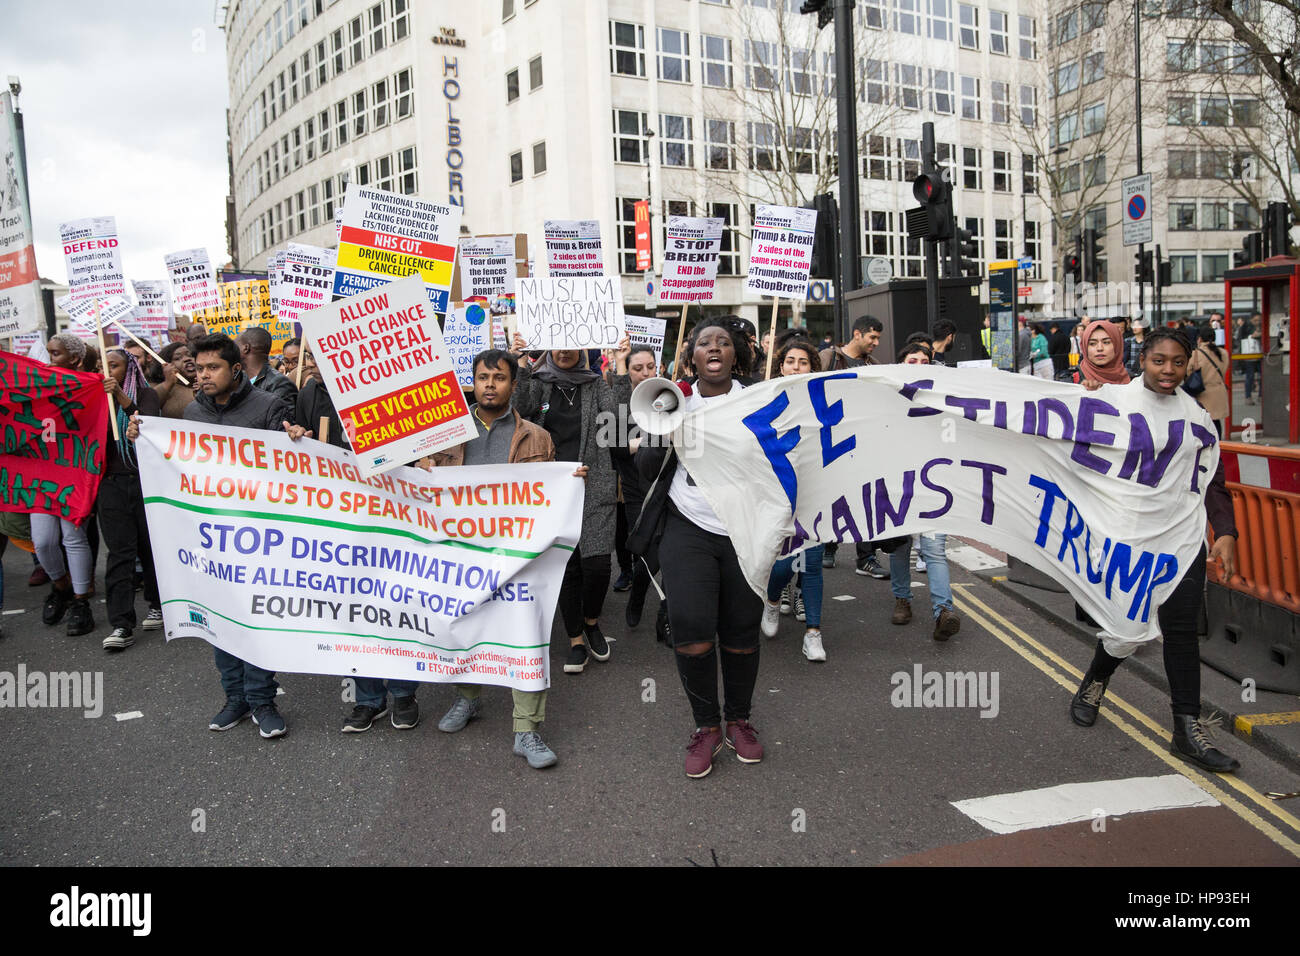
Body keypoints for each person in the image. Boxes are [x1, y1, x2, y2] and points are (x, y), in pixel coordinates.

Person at [1071, 328, 1241, 773]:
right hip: (1129, 538)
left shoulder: (1198, 418)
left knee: (1181, 633)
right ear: (1142, 359)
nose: (1169, 371)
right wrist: (1083, 398)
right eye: (1159, 361)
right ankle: (1096, 678)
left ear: (1189, 365)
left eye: (1178, 362)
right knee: (1126, 630)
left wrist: (1225, 531)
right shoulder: (1111, 402)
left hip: (1182, 541)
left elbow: (1213, 480)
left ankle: (1187, 729)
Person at [130, 333, 296, 739]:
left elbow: (290, 471)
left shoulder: (268, 407)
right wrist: (141, 438)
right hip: (209, 538)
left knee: (255, 619)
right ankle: (234, 698)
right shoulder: (192, 415)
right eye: (198, 368)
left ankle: (262, 700)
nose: (202, 375)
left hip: (257, 535)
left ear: (236, 369)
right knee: (220, 617)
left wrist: (296, 439)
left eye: (212, 368)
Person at [426, 349, 579, 768]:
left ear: (514, 384)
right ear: (472, 382)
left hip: (517, 556)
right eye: (482, 377)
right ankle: (467, 698)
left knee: (525, 636)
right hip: (461, 551)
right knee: (462, 628)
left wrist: (570, 483)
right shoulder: (444, 434)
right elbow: (416, 482)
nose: (489, 384)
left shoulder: (537, 438)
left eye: (498, 377)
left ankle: (526, 730)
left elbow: (548, 496)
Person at [629, 318, 764, 778]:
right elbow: (647, 467)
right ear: (691, 355)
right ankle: (706, 727)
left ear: (735, 354)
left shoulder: (756, 400)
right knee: (691, 629)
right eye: (704, 342)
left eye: (724, 343)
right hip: (688, 529)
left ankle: (739, 720)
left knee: (742, 632)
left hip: (742, 529)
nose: (714, 348)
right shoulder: (672, 398)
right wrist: (666, 426)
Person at [509, 332, 632, 674]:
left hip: (593, 488)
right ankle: (576, 638)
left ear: (583, 350)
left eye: (572, 344)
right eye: (558, 343)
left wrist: (621, 365)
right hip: (550, 494)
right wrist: (520, 362)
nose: (564, 350)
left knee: (597, 567)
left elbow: (620, 423)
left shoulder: (595, 385)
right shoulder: (539, 382)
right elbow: (518, 408)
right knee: (567, 567)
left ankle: (592, 622)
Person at [886, 343, 961, 640]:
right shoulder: (886, 397)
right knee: (900, 545)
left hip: (933, 485)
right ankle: (902, 599)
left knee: (934, 549)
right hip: (896, 484)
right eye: (911, 360)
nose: (918, 364)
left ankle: (944, 611)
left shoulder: (943, 399)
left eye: (924, 360)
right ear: (901, 363)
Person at [759, 339, 827, 662]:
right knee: (784, 563)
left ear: (812, 366)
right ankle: (772, 600)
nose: (796, 366)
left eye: (803, 361)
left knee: (812, 563)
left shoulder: (822, 398)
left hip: (814, 491)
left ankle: (813, 634)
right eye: (790, 361)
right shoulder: (767, 397)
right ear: (780, 365)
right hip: (778, 493)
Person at [97, 350, 163, 651]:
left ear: (130, 368)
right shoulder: (95, 400)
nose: (108, 371)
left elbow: (148, 423)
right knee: (119, 554)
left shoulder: (146, 394)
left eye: (114, 365)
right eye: (103, 366)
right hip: (109, 485)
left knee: (149, 547)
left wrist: (121, 398)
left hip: (143, 481)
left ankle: (157, 604)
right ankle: (122, 624)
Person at [32, 334, 97, 637]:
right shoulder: (36, 385)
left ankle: (81, 603)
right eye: (48, 353)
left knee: (73, 536)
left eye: (55, 354)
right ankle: (61, 586)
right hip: (42, 474)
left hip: (73, 474)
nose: (49, 359)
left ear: (74, 358)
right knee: (43, 540)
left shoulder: (89, 386)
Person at [819, 315, 887, 575]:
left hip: (862, 440)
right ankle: (829, 545)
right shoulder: (828, 358)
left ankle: (866, 557)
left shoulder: (874, 365)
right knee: (833, 496)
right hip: (832, 439)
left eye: (878, 337)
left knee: (865, 497)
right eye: (872, 337)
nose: (876, 342)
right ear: (857, 334)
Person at [610, 344, 662, 629]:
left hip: (665, 487)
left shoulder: (669, 397)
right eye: (637, 368)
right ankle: (638, 593)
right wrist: (641, 443)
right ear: (627, 372)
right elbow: (616, 447)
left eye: (650, 367)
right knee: (643, 550)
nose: (645, 373)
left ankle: (667, 613)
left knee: (668, 552)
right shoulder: (620, 402)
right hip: (633, 488)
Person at [238, 327, 298, 404]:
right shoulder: (236, 381)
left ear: (245, 348)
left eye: (235, 344)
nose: (232, 350)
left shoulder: (279, 384)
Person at [1189, 326, 1229, 437]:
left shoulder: (1196, 354)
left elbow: (1187, 372)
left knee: (1204, 425)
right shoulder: (1224, 353)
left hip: (1203, 394)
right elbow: (1224, 369)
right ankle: (1219, 448)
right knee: (1216, 424)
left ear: (1200, 339)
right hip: (1219, 393)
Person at [155, 342, 199, 419]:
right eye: (177, 358)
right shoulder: (167, 388)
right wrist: (168, 383)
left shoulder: (208, 384)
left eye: (190, 355)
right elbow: (150, 404)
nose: (187, 359)